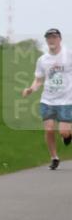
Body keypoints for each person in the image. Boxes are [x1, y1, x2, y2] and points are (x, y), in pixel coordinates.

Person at [21, 28, 72, 170]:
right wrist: (31, 89)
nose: (51, 39)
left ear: (60, 39)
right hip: (48, 100)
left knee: (63, 132)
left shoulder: (68, 55)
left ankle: (67, 135)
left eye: (54, 37)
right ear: (46, 40)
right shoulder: (42, 60)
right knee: (49, 129)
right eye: (49, 37)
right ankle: (54, 157)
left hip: (66, 100)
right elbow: (38, 80)